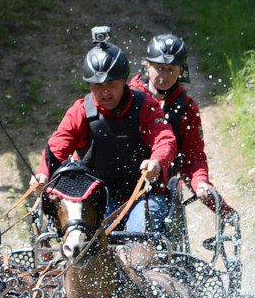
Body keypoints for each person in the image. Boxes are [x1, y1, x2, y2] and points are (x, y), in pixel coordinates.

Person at [33, 27, 177, 233]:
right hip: (96, 197)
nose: (105, 91)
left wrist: (156, 162)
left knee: (137, 237)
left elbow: (165, 139)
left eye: (111, 84)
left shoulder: (146, 105)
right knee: (82, 237)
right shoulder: (80, 111)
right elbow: (57, 147)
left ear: (124, 81)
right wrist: (43, 175)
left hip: (145, 195)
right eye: (97, 85)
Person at [129, 33, 235, 220]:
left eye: (171, 70)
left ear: (181, 70)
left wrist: (201, 182)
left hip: (159, 191)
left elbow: (192, 159)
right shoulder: (127, 99)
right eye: (159, 68)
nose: (165, 76)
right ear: (147, 66)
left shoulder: (186, 108)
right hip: (121, 185)